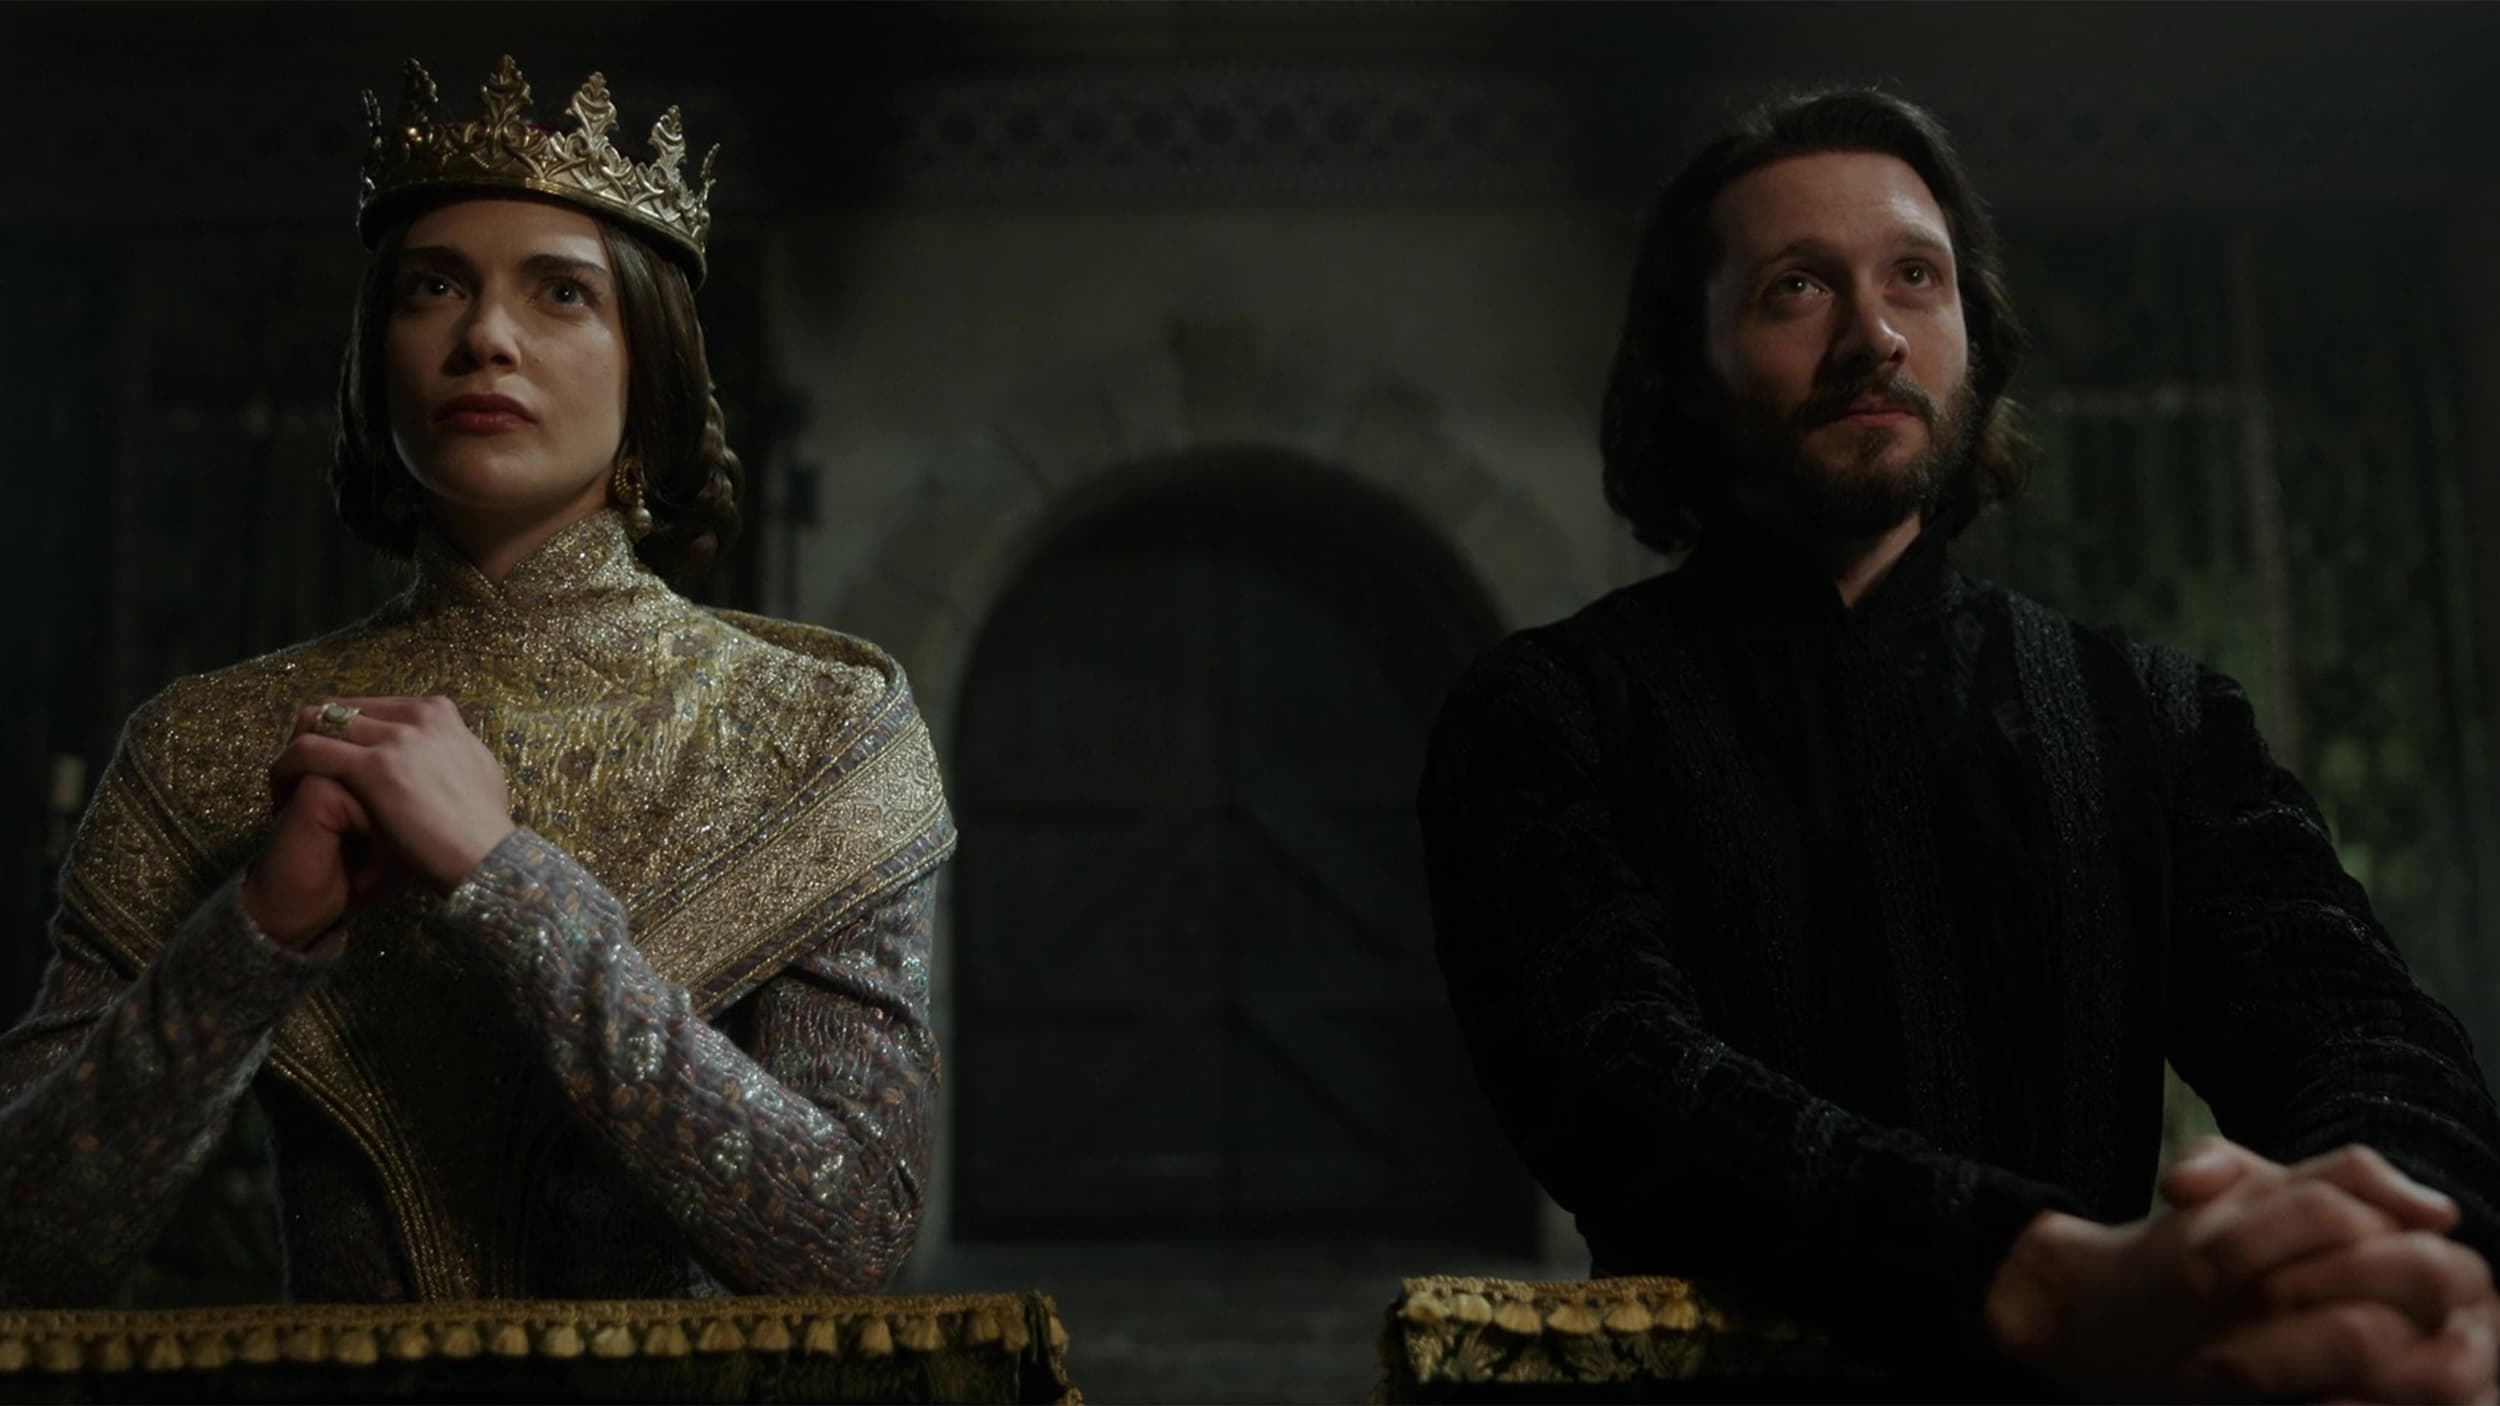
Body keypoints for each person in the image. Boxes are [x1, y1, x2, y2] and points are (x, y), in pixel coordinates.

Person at [1417, 88, 2500, 1402]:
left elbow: (2360, 1030)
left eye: (1914, 278)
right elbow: (1618, 1080)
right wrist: (2033, 1274)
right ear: (1688, 373)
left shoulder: (2151, 711)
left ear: (1971, 335)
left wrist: (2380, 1245)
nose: (1871, 334)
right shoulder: (1548, 711)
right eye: (1795, 288)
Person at [0, 56, 954, 1305]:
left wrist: (507, 882)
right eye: (434, 286)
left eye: (561, 292)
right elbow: (24, 1249)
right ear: (374, 356)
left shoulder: (821, 728)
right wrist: (253, 937)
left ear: (650, 363)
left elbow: (844, 1241)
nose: (485, 338)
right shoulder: (205, 745)